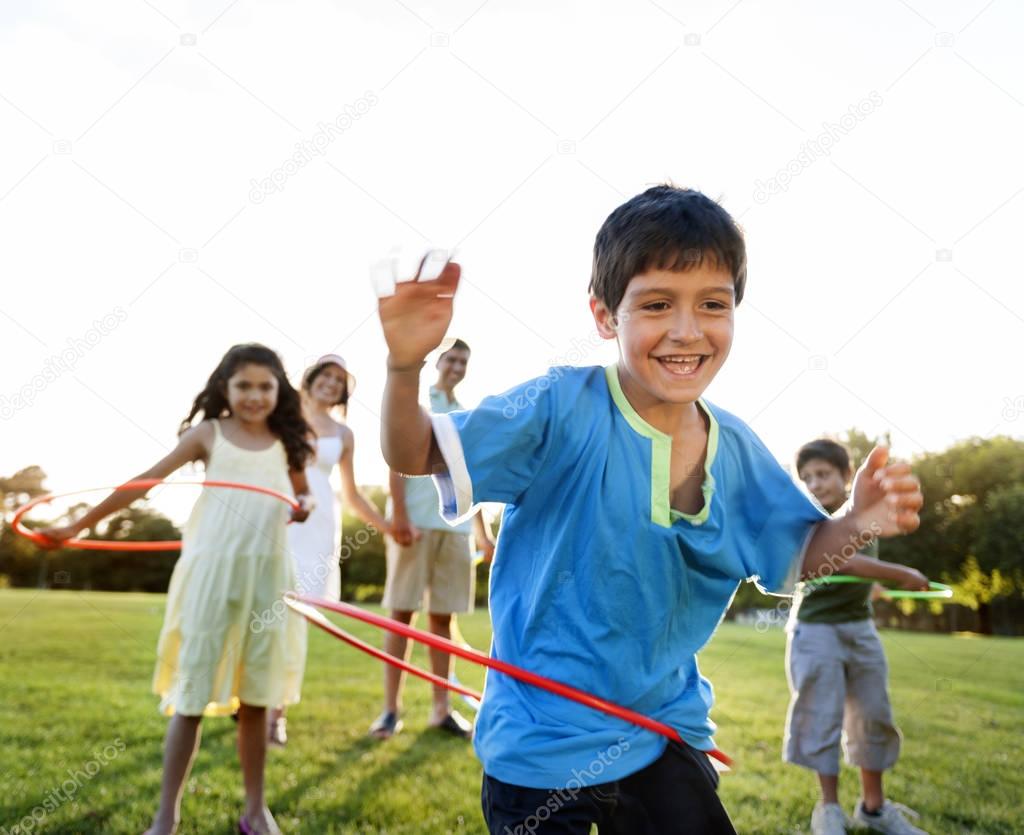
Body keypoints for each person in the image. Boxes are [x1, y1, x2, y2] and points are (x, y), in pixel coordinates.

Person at [374, 185, 925, 834]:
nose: (687, 330)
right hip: (542, 744)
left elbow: (800, 554)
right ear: (606, 315)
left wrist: (856, 523)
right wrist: (405, 366)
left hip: (662, 730)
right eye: (658, 303)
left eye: (713, 305)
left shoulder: (739, 450)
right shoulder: (559, 407)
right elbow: (414, 452)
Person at [42, 343, 313, 835]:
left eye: (265, 386)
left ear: (280, 390)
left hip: (268, 579)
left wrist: (304, 504)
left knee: (256, 700)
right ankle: (166, 818)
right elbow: (144, 483)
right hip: (212, 575)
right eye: (244, 385)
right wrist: (76, 526)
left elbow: (302, 492)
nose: (255, 396)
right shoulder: (209, 434)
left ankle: (255, 811)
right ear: (224, 388)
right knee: (191, 697)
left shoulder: (287, 440)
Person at [785, 439, 930, 835]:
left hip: (859, 627)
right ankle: (828, 808)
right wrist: (898, 574)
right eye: (808, 477)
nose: (815, 484)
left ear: (847, 475)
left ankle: (874, 807)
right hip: (815, 631)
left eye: (824, 474)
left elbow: (857, 572)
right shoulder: (805, 515)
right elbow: (838, 561)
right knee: (821, 716)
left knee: (873, 715)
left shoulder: (866, 513)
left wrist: (874, 587)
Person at [370, 338, 496, 740]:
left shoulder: (466, 414)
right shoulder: (417, 402)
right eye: (451, 358)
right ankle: (391, 710)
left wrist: (484, 534)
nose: (457, 365)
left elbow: (471, 483)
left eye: (463, 360)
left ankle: (441, 710)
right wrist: (400, 517)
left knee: (444, 618)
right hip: (416, 525)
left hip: (454, 530)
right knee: (403, 614)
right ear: (439, 360)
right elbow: (396, 458)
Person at [267, 353, 394, 746]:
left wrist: (388, 527)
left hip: (319, 523)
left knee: (293, 617)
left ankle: (276, 713)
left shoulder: (344, 434)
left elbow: (353, 494)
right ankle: (250, 700)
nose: (331, 384)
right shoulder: (282, 416)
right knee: (261, 610)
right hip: (278, 510)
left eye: (340, 381)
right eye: (326, 375)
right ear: (311, 378)